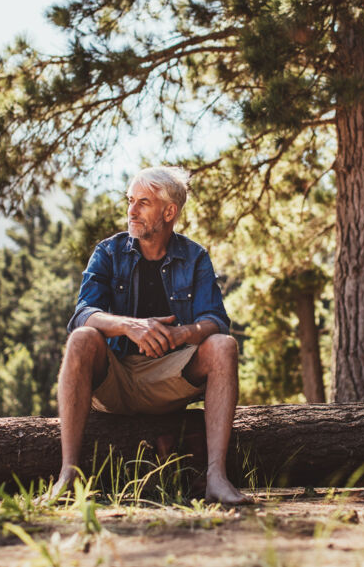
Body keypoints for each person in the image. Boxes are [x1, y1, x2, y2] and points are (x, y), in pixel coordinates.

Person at [48, 166, 251, 505]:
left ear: (169, 212)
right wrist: (129, 325)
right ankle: (68, 474)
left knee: (223, 346)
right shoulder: (108, 252)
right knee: (82, 339)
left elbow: (216, 320)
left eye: (143, 202)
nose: (131, 210)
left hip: (168, 381)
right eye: (130, 201)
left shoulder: (195, 256)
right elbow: (82, 315)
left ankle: (217, 476)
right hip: (114, 380)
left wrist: (182, 334)